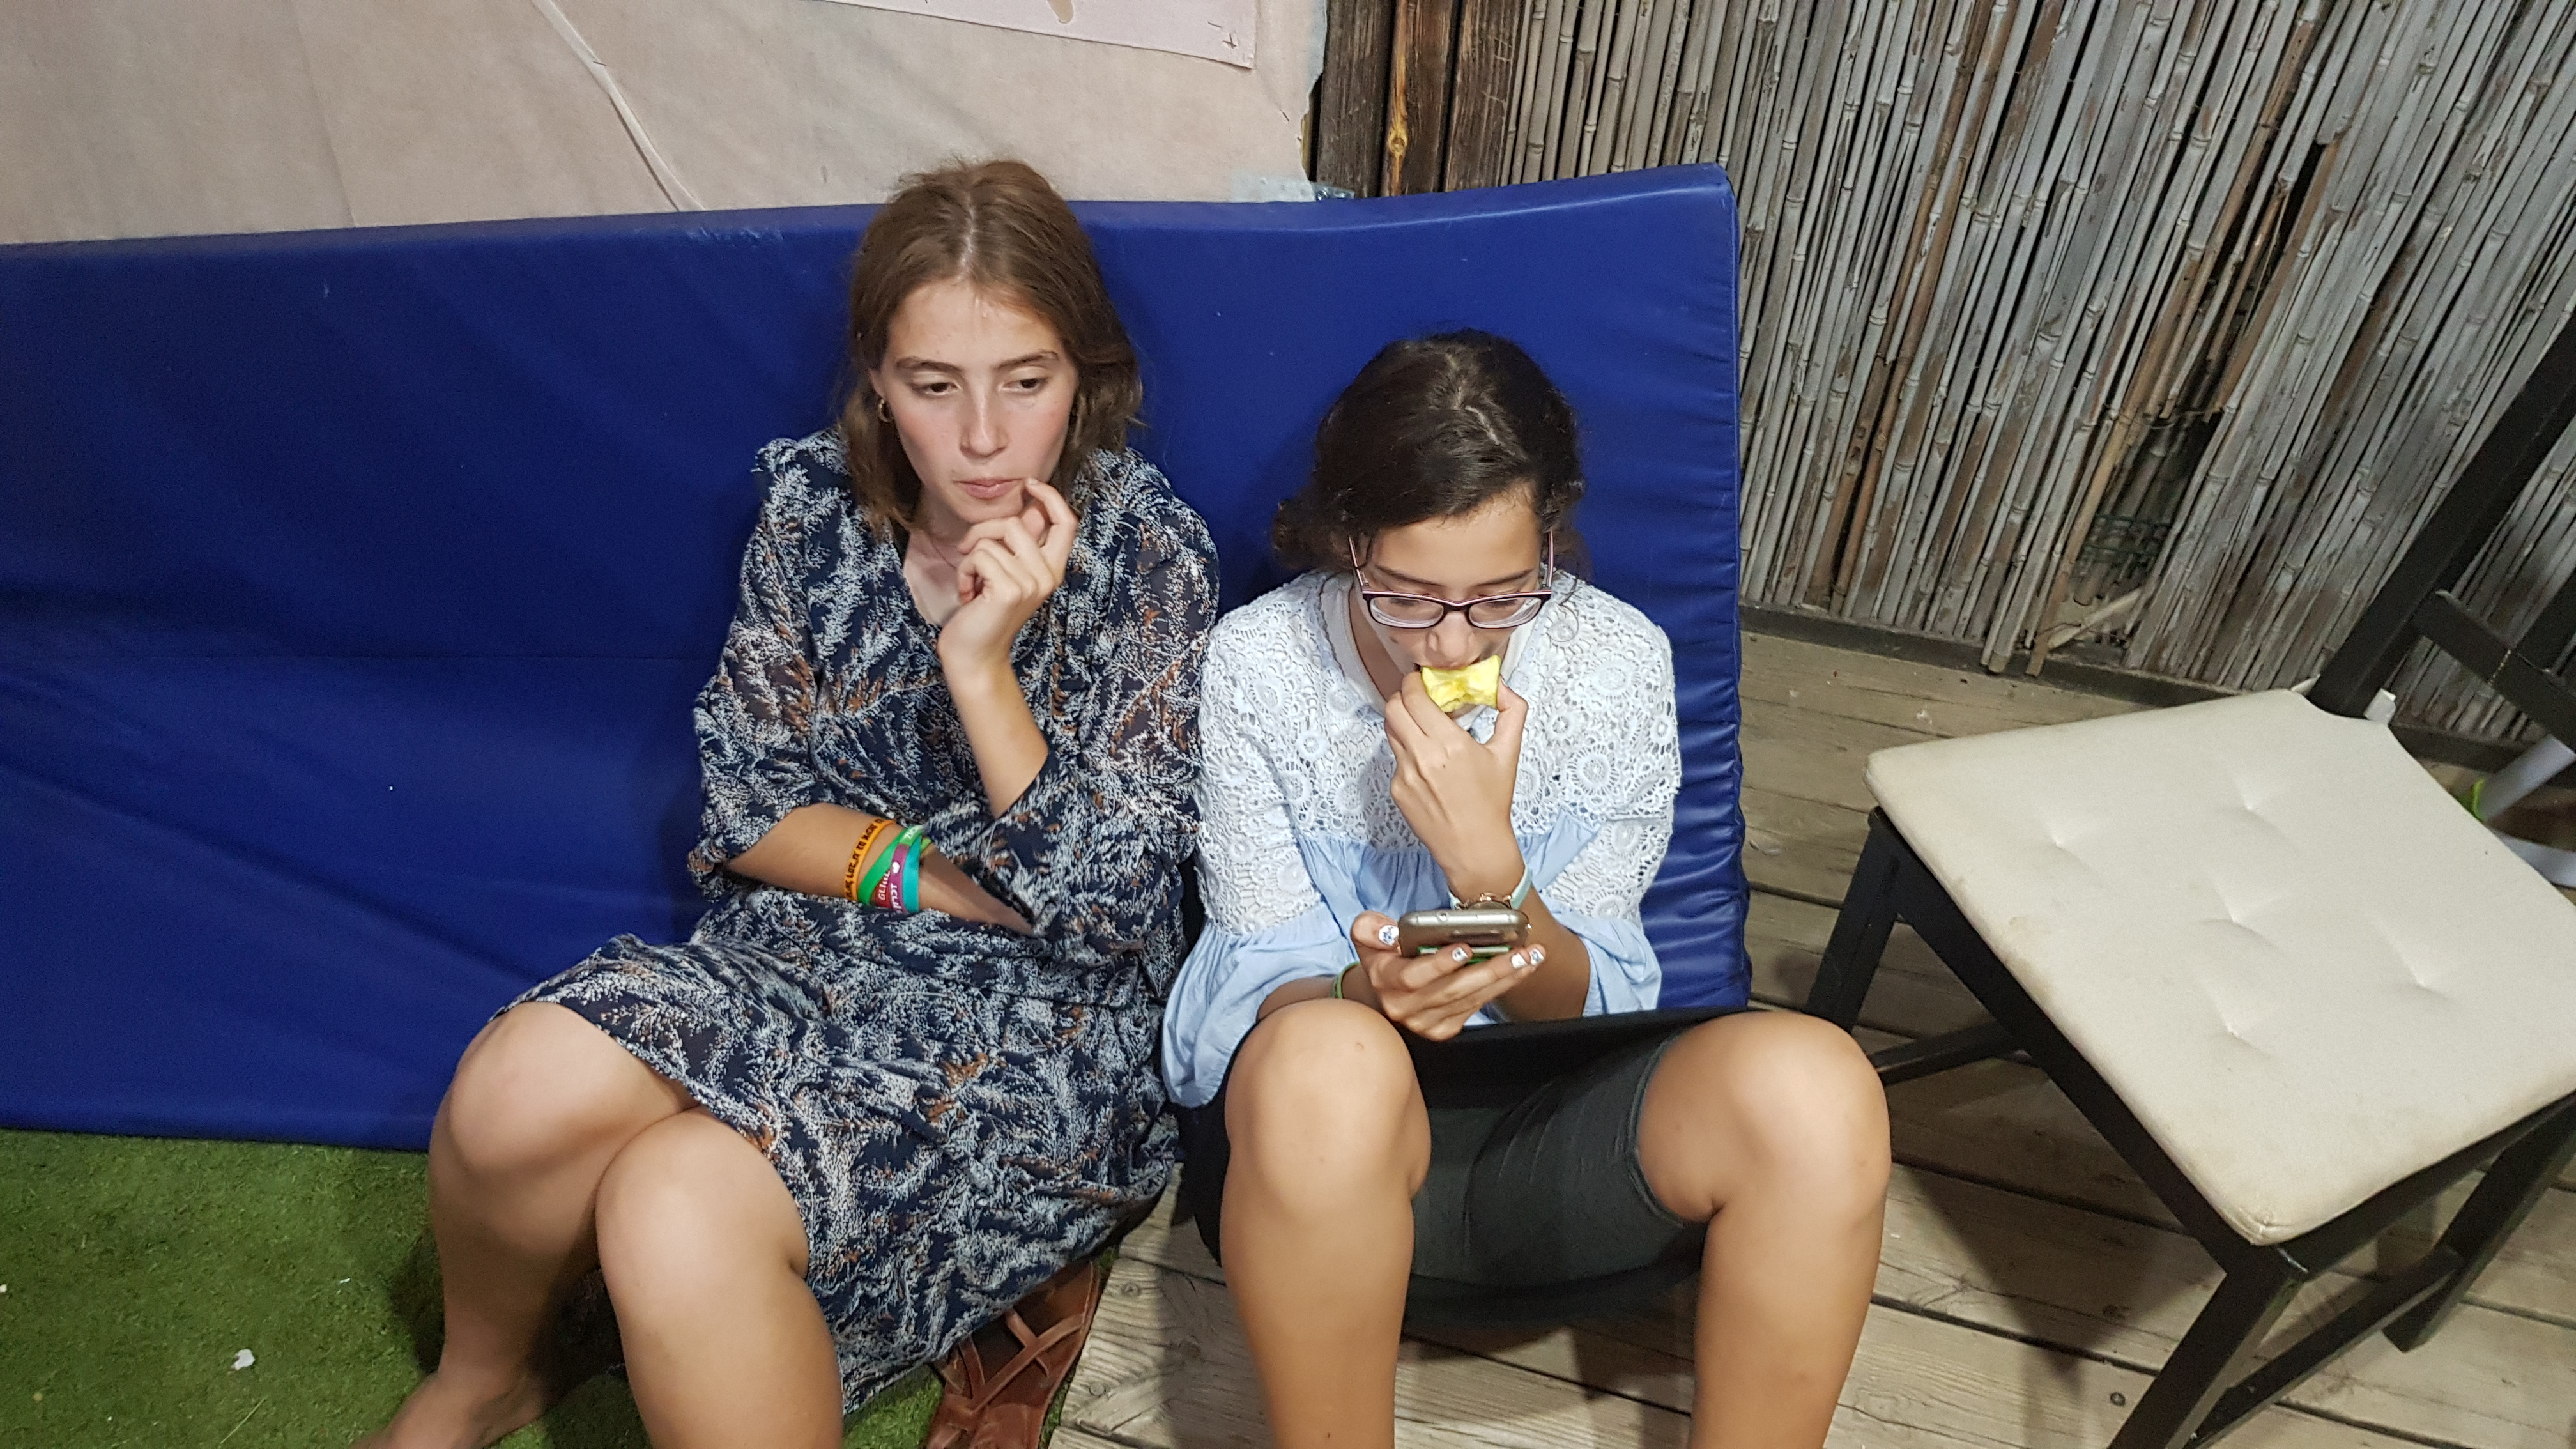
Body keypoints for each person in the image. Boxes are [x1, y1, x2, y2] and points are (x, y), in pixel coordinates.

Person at [362, 160, 1216, 1449]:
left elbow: (1104, 914)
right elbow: (753, 810)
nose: (984, 438)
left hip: (1038, 1035)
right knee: (514, 1091)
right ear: (879, 381)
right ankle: (484, 1379)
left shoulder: (1150, 555)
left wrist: (982, 669)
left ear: (1085, 378)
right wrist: (936, 876)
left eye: (1025, 381)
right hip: (803, 953)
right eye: (935, 385)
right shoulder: (814, 512)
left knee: (672, 1202)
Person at [1162, 330, 1891, 1449]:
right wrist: (1367, 992)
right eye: (1407, 597)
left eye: (1503, 596)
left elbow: (1598, 1003)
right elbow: (1247, 981)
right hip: (1313, 1152)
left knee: (1820, 1085)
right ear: (1351, 541)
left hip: (1552, 1132)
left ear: (1550, 539)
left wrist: (1494, 878)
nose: (1455, 644)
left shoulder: (1615, 664)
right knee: (1329, 1061)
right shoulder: (1261, 664)